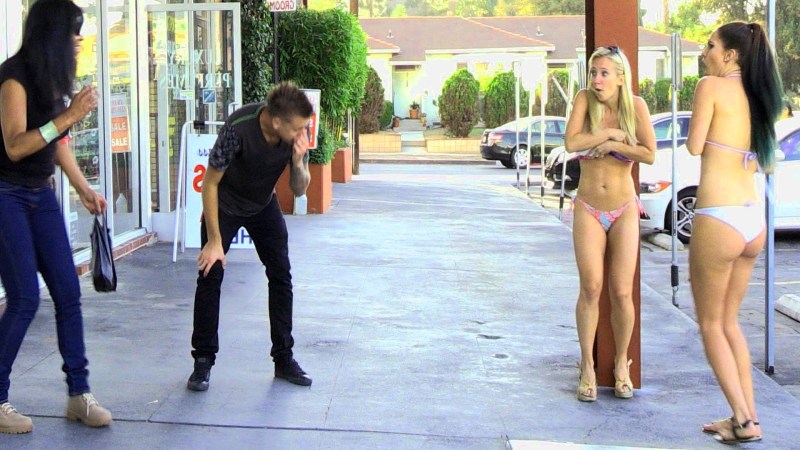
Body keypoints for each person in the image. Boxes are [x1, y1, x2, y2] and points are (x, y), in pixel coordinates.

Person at [0, 0, 112, 434]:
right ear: (52, 34)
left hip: (40, 193)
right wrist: (70, 115)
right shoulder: (13, 78)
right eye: (73, 31)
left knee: (68, 292)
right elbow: (15, 146)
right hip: (7, 194)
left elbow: (56, 142)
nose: (79, 39)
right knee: (24, 297)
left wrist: (84, 189)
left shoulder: (50, 77)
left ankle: (79, 395)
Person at [688, 21, 783, 444]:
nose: (705, 53)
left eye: (710, 46)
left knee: (711, 324)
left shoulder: (711, 86)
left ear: (729, 55)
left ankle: (743, 421)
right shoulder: (762, 96)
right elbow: (765, 159)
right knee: (730, 323)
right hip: (751, 218)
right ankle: (747, 417)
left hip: (718, 216)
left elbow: (694, 146)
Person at [187, 81, 314, 392]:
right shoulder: (238, 128)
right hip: (225, 204)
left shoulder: (295, 135)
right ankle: (203, 360)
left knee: (281, 276)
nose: (303, 133)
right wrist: (214, 241)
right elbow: (210, 184)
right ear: (276, 122)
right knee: (210, 274)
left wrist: (298, 162)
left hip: (262, 204)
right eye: (298, 128)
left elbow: (299, 189)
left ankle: (283, 358)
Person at [564, 46, 656, 402]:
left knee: (621, 291)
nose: (597, 79)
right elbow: (572, 142)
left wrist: (620, 140)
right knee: (590, 286)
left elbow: (648, 153)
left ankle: (621, 365)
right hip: (588, 206)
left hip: (624, 208)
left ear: (620, 77)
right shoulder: (584, 100)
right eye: (593, 72)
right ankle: (587, 365)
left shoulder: (636, 106)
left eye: (604, 73)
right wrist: (609, 135)